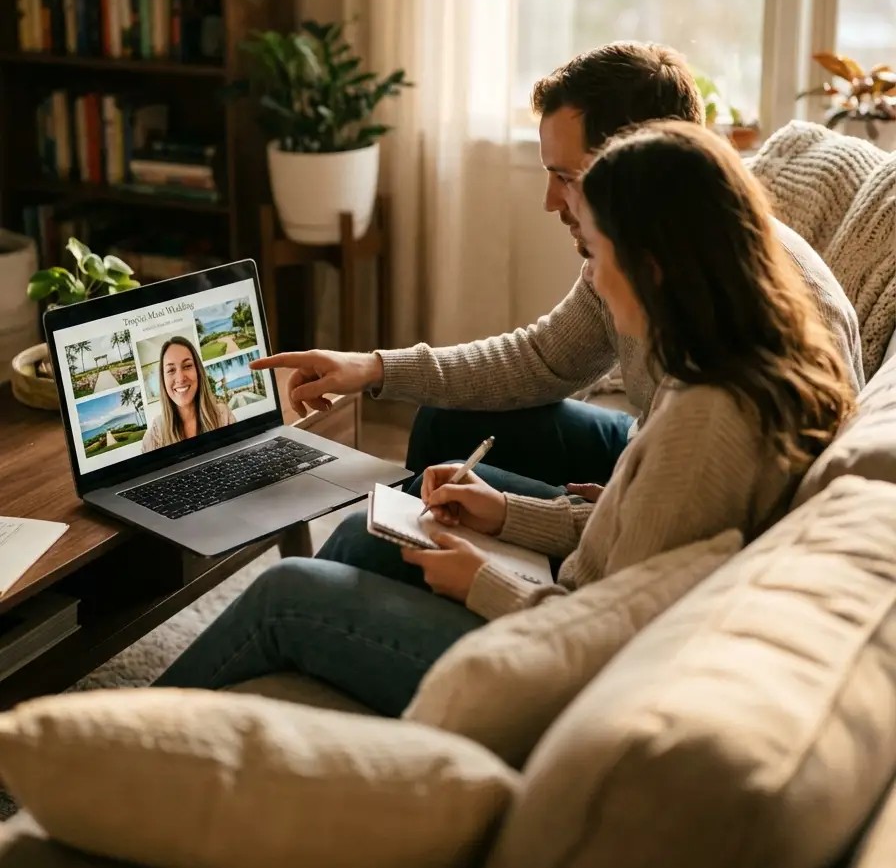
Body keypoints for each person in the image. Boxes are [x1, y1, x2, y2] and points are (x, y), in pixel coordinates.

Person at [154, 123, 854, 711]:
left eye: (600, 253)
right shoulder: (718, 357)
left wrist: (482, 583)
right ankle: (297, 686)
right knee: (374, 534)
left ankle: (112, 738)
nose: (595, 281)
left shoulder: (708, 422)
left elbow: (603, 639)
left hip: (545, 671)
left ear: (655, 266)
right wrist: (507, 514)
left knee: (282, 593)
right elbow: (634, 539)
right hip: (559, 609)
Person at [253, 41, 863, 576]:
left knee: (404, 513)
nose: (551, 201)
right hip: (648, 444)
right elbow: (542, 359)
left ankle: (367, 592)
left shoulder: (755, 321)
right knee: (441, 425)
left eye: (566, 177)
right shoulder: (658, 253)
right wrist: (374, 369)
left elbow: (721, 506)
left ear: (640, 170)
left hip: (671, 476)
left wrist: (609, 504)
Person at [142, 335, 235, 452]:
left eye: (187, 366)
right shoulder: (153, 437)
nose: (180, 378)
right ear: (163, 380)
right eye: (171, 370)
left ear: (198, 371)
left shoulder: (224, 417)